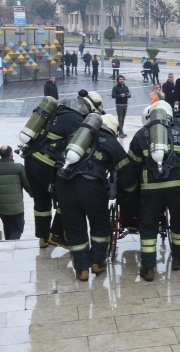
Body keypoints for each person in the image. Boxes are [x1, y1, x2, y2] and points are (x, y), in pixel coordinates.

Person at [20, 90, 105, 248]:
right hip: (47, 165)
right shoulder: (77, 120)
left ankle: (43, 238)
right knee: (67, 199)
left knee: (41, 201)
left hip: (30, 161)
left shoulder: (56, 109)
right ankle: (57, 235)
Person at [120, 102, 180, 282]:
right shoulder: (179, 133)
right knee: (178, 221)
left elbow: (132, 167)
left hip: (150, 189)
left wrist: (131, 191)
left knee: (149, 225)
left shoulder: (140, 135)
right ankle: (177, 258)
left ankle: (149, 267)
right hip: (177, 186)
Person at [57, 114, 126, 281]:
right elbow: (126, 170)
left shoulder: (74, 137)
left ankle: (81, 269)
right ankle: (97, 262)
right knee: (100, 224)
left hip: (64, 185)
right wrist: (128, 192)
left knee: (74, 227)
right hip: (92, 188)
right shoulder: (110, 142)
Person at [0, 146, 31, 240]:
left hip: (1, 207)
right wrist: (35, 195)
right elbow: (27, 185)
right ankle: (11, 244)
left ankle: (8, 244)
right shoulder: (19, 167)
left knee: (7, 226)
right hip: (16, 206)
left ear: (0, 155)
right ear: (11, 154)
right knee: (18, 228)